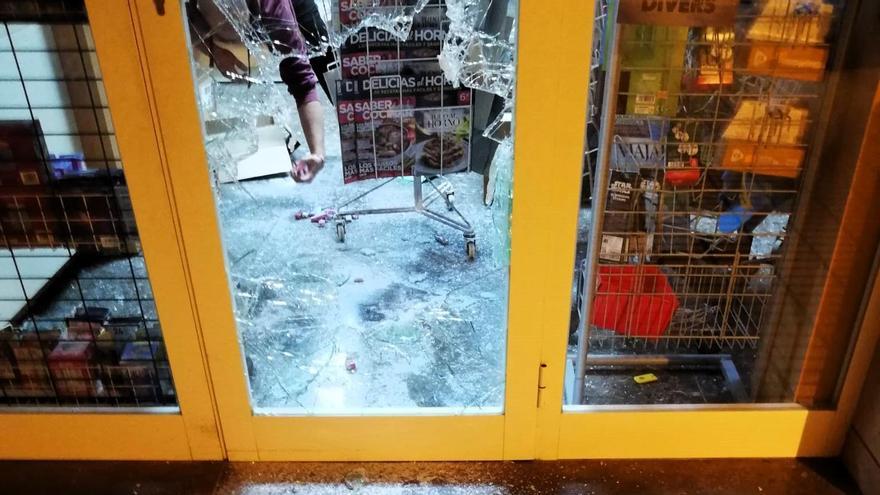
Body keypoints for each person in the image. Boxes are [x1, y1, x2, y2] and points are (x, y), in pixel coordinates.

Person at [186, 0, 325, 182]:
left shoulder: (275, 11)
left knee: (319, 54)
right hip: (212, 25)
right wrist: (215, 51)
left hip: (286, 15)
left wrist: (317, 153)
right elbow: (181, 21)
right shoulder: (196, 11)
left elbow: (303, 83)